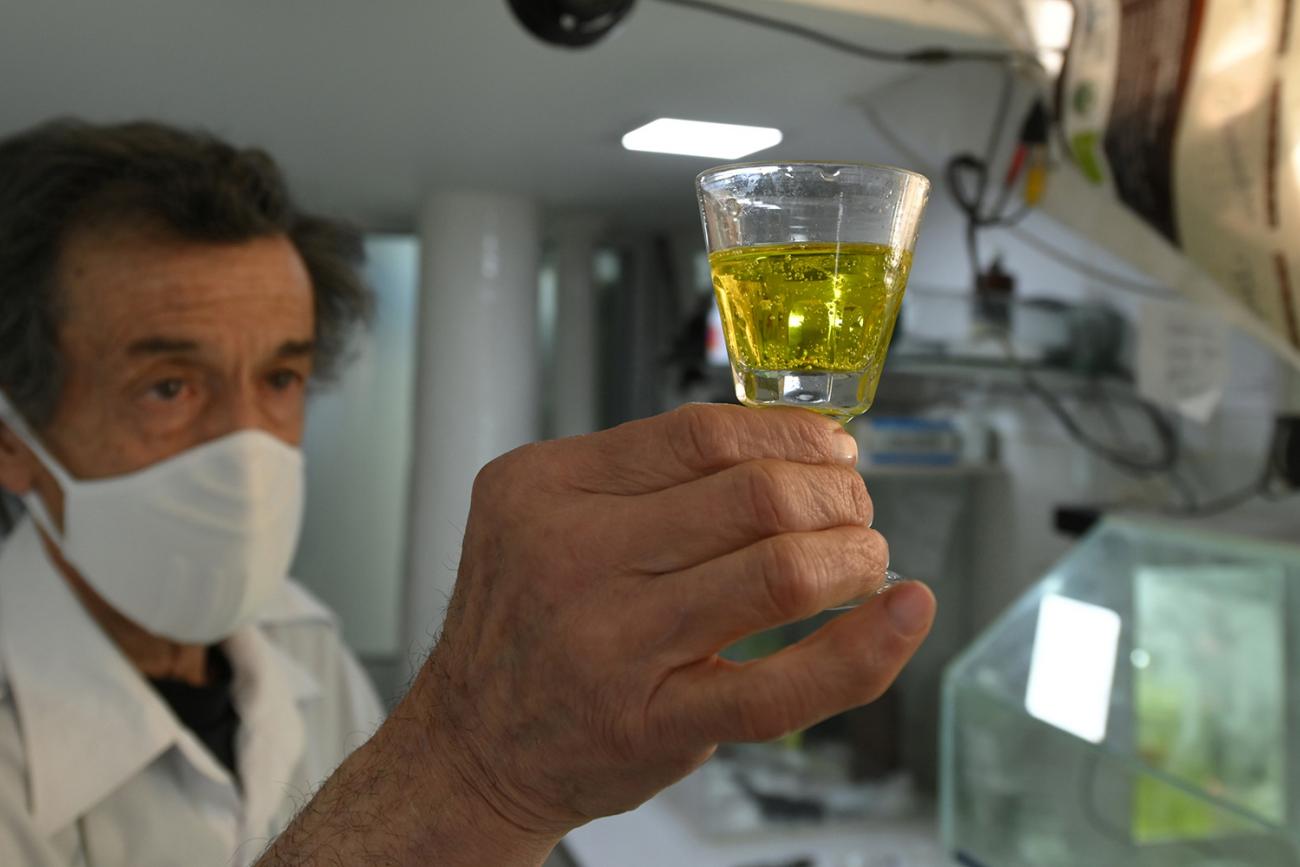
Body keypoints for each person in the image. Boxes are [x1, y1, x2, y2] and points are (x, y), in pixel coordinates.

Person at [0, 118, 937, 867]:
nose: (246, 446)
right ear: (13, 443)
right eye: (170, 386)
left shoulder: (300, 644)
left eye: (281, 380)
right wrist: (468, 768)